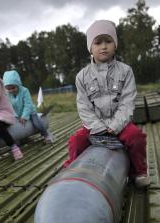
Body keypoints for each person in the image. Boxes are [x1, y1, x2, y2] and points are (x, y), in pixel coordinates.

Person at [63, 20, 150, 188]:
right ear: (90, 47)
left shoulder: (125, 71)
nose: (103, 47)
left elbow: (127, 101)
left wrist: (116, 126)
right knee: (75, 141)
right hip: (94, 126)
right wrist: (98, 127)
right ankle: (71, 170)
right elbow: (84, 106)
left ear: (115, 44)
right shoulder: (82, 76)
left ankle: (138, 172)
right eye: (98, 42)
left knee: (136, 137)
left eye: (108, 41)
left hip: (120, 123)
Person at [2, 70, 55, 144]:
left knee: (36, 123)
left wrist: (24, 116)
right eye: (8, 89)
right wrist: (15, 116)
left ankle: (46, 134)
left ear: (18, 84)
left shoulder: (24, 91)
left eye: (13, 88)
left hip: (30, 112)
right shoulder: (7, 94)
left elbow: (28, 105)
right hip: (17, 114)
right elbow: (9, 107)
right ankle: (22, 138)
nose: (11, 90)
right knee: (16, 126)